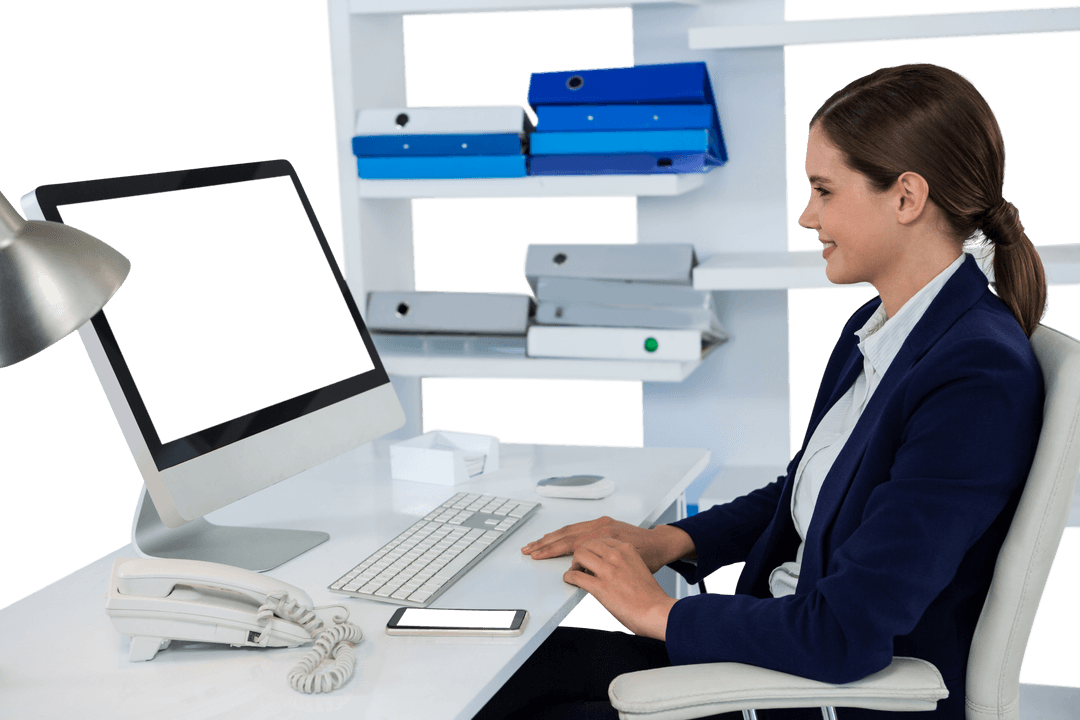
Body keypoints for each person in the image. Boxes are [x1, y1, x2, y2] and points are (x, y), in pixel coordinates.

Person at [475, 63, 1047, 720]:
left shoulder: (975, 376)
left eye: (824, 191)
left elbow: (844, 635)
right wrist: (671, 542)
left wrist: (657, 611)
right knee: (500, 668)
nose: (808, 216)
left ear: (907, 197)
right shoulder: (883, 325)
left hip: (820, 690)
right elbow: (812, 489)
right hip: (774, 646)